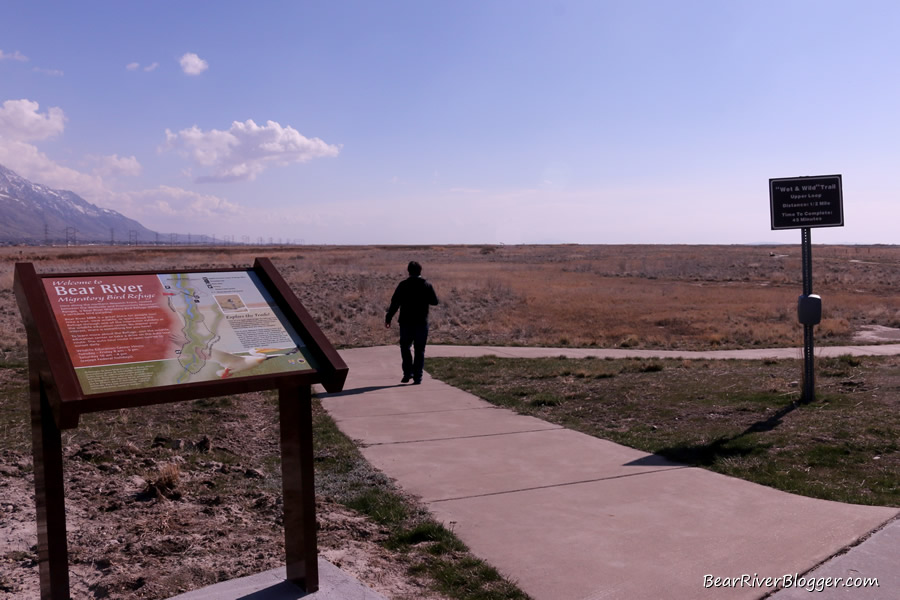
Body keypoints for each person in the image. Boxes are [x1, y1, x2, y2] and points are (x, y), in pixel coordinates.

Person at [385, 261, 439, 384]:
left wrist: (388, 318)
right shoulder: (426, 285)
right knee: (420, 350)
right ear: (420, 271)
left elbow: (395, 304)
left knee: (405, 348)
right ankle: (418, 377)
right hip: (421, 322)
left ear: (408, 271)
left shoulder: (403, 285)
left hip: (406, 322)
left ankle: (407, 373)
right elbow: (435, 301)